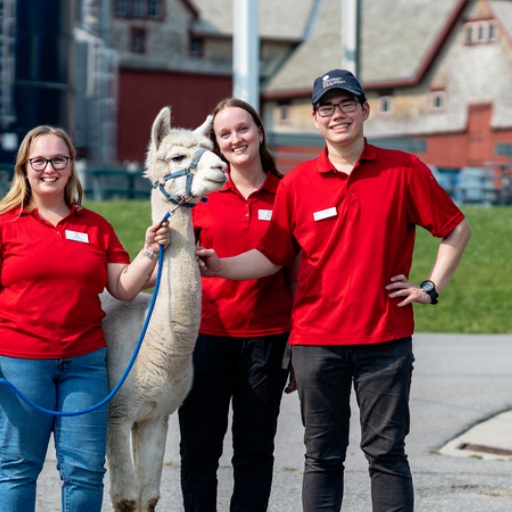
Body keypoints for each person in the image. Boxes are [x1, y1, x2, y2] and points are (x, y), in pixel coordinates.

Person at [196, 69, 472, 512]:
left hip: (385, 341)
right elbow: (272, 257)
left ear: (365, 110)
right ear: (315, 119)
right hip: (315, 344)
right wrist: (221, 265)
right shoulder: (297, 184)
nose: (338, 114)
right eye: (327, 107)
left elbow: (456, 228)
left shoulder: (403, 170)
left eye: (347, 104)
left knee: (386, 455)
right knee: (322, 458)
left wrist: (430, 286)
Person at [0, 125, 169, 511]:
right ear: (24, 167)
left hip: (84, 364)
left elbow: (123, 287)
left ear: (71, 165)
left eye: (59, 159)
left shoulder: (95, 226)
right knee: (18, 466)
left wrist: (148, 251)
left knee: (85, 470)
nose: (49, 168)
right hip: (18, 363)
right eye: (39, 160)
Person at [178, 98, 294, 512]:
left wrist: (299, 343)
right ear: (216, 145)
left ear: (260, 132)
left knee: (255, 450)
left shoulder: (288, 193)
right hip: (205, 336)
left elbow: (298, 272)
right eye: (224, 134)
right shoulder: (198, 196)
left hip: (266, 339)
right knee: (199, 450)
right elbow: (171, 263)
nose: (235, 139)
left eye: (242, 129)